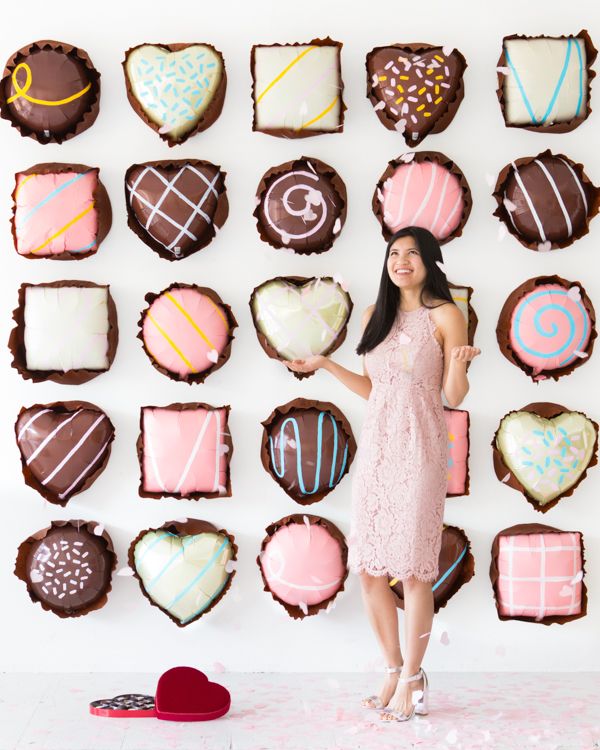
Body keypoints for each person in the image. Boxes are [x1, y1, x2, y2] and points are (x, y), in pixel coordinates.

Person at [285, 226, 481, 722]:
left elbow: (453, 396)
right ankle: (393, 668)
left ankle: (415, 678)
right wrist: (328, 365)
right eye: (395, 253)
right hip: (377, 451)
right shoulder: (375, 316)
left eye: (413, 253)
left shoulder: (446, 315)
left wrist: (459, 363)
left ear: (430, 263)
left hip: (421, 449)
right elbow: (376, 390)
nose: (402, 261)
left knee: (413, 571)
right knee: (370, 571)